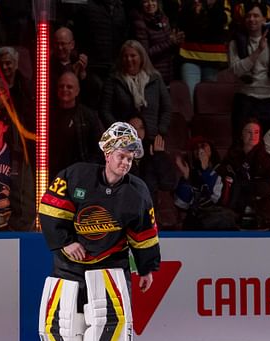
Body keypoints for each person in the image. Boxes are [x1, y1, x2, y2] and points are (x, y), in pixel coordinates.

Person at [37, 121, 160, 341]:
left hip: (111, 262)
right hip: (70, 263)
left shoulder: (137, 191)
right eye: (121, 156)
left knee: (110, 319)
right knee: (63, 319)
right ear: (107, 154)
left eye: (130, 158)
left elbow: (144, 233)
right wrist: (65, 242)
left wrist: (147, 268)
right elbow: (49, 210)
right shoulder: (75, 176)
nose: (126, 162)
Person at [99, 39, 171, 196]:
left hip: (151, 141)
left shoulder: (155, 79)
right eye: (125, 56)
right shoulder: (114, 80)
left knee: (151, 182)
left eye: (133, 55)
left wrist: (161, 130)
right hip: (124, 144)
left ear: (141, 57)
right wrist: (120, 133)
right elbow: (105, 110)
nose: (129, 60)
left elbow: (166, 108)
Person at [229, 0, 270, 140]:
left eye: (256, 16)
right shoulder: (236, 41)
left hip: (269, 100)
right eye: (249, 16)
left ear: (264, 19)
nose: (252, 19)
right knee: (241, 143)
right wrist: (258, 51)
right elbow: (236, 70)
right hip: (245, 99)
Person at [219, 118, 270, 230]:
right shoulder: (231, 158)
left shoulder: (266, 159)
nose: (253, 136)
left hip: (262, 213)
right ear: (241, 134)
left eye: (256, 132)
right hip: (235, 212)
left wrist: (245, 185)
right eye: (249, 132)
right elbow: (226, 184)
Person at [49, 72, 103, 180]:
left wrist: (86, 170)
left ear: (77, 91)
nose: (65, 89)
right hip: (53, 175)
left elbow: (99, 148)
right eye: (61, 86)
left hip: (80, 175)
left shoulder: (88, 116)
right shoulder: (47, 115)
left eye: (69, 87)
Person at [174, 136, 237, 229]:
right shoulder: (192, 172)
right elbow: (182, 204)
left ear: (211, 149)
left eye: (203, 146)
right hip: (197, 220)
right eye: (196, 148)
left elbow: (223, 199)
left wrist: (206, 170)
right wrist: (186, 177)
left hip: (222, 219)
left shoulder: (224, 169)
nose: (200, 150)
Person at [177, 0, 230, 105]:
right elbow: (180, 22)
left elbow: (225, 21)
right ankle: (190, 121)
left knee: (207, 100)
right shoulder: (189, 3)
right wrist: (193, 10)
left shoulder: (221, 2)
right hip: (189, 54)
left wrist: (211, 6)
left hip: (212, 56)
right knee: (190, 98)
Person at [130, 0, 183, 85]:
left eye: (153, 0)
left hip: (169, 71)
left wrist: (177, 41)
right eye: (146, 1)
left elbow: (170, 47)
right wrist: (170, 42)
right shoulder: (140, 24)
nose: (150, 4)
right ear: (141, 4)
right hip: (152, 73)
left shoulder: (164, 18)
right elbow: (145, 54)